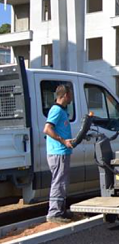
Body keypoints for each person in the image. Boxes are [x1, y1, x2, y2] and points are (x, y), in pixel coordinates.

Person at [43, 85, 76, 224]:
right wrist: (63, 141)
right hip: (58, 153)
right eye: (71, 94)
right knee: (58, 182)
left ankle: (61, 210)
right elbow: (47, 129)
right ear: (65, 95)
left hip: (61, 152)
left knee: (62, 182)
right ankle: (54, 213)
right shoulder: (56, 110)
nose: (72, 97)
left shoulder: (62, 111)